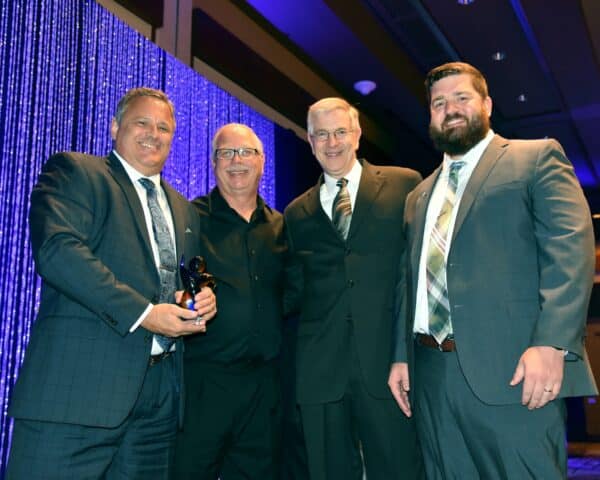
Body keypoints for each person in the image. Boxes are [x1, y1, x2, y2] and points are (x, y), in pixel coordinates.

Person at [388, 61, 598, 479]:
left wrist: (553, 343)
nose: (450, 109)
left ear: (486, 104)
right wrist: (400, 357)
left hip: (516, 371)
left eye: (461, 98)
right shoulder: (417, 196)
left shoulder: (535, 158)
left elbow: (570, 248)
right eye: (438, 103)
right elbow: (407, 285)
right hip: (432, 379)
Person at [6, 87, 217, 479]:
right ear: (115, 127)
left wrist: (199, 301)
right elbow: (58, 251)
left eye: (164, 127)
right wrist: (145, 314)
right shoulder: (76, 172)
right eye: (142, 122)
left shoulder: (186, 209)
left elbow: (176, 280)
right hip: (77, 396)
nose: (154, 133)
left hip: (159, 404)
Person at [284, 97, 424, 480]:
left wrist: (406, 354)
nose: (332, 143)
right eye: (321, 134)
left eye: (340, 132)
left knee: (399, 469)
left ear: (358, 135)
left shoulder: (405, 185)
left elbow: (417, 274)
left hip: (388, 367)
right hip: (320, 370)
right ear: (310, 142)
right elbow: (294, 287)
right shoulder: (296, 212)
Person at [173, 123, 286, 479]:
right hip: (204, 383)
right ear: (213, 162)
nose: (236, 161)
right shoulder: (190, 219)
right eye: (226, 153)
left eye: (246, 152)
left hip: (264, 388)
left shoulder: (282, 226)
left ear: (262, 161)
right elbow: (178, 278)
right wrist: (189, 296)